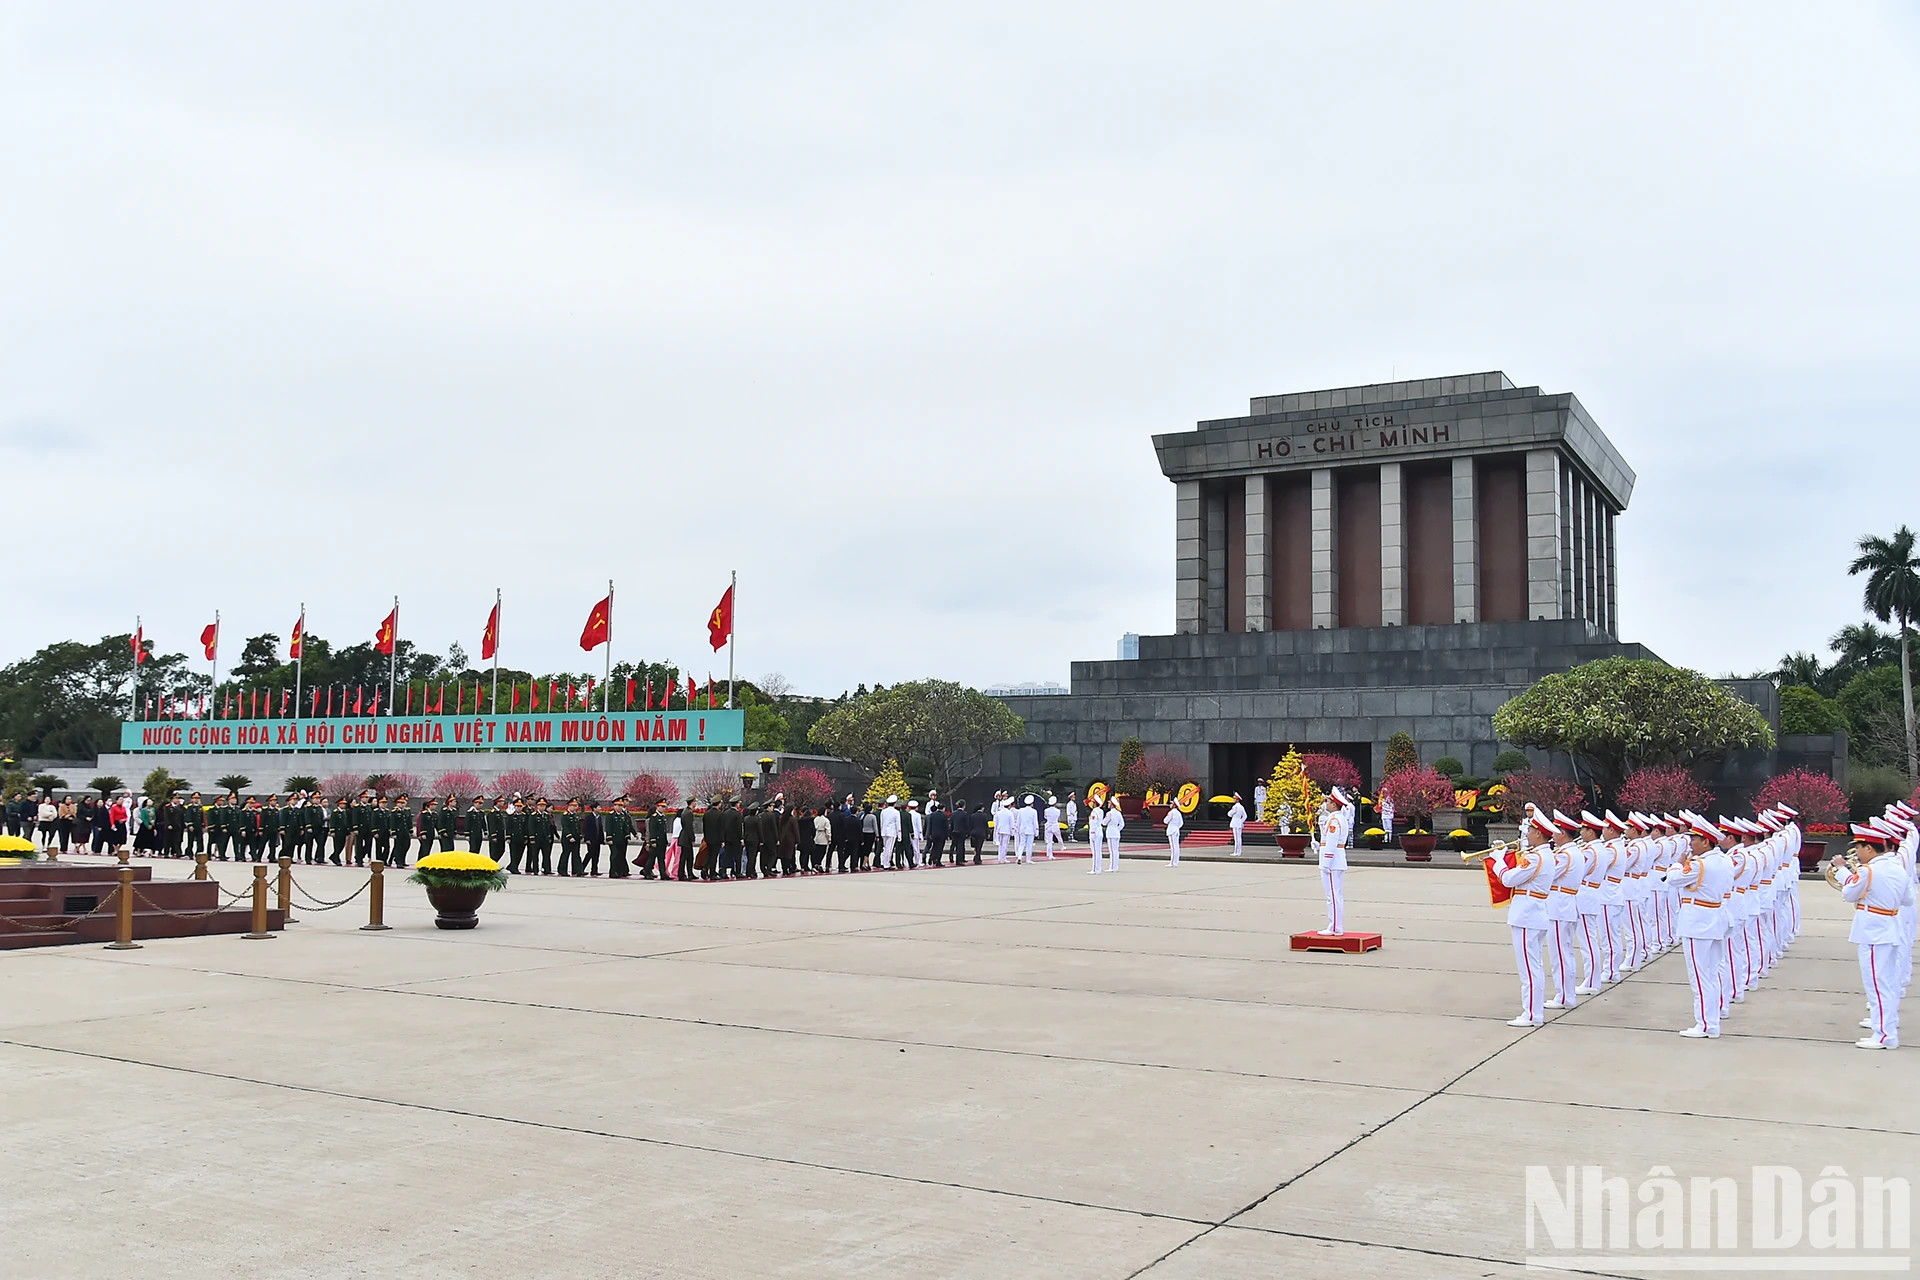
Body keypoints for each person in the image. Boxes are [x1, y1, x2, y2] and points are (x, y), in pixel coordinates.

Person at [1659, 812, 1736, 1039]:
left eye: (1694, 839)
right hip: (1715, 918)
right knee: (1711, 973)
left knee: (1700, 976)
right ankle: (1711, 1021)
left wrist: (1677, 864)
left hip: (1698, 922)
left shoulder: (1699, 865)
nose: (1690, 843)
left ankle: (1704, 1023)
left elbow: (1673, 879)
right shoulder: (1723, 860)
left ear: (1706, 841)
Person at [1497, 809, 1558, 1027]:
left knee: (1529, 969)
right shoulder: (1546, 855)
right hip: (1534, 912)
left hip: (1527, 915)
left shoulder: (1535, 858)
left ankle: (1532, 1014)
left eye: (1531, 830)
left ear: (1539, 834)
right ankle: (1533, 1012)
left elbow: (1508, 879)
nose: (1528, 834)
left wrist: (1498, 861)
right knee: (1534, 966)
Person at [1315, 789, 1353, 933]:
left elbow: (1332, 843)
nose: (1326, 803)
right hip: (1335, 860)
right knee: (1334, 895)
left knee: (1332, 896)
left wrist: (1326, 863)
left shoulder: (1335, 819)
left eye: (1329, 801)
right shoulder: (1338, 818)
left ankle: (1335, 927)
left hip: (1332, 863)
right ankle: (1336, 925)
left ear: (1334, 805)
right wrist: (1319, 845)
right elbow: (1328, 842)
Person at [606, 797, 635, 878]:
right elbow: (608, 827)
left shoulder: (623, 815)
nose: (620, 808)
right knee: (614, 855)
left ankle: (620, 871)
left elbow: (625, 827)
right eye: (618, 806)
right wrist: (609, 838)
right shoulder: (611, 815)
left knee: (621, 855)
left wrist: (627, 836)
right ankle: (613, 871)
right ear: (614, 806)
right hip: (614, 839)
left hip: (621, 839)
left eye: (621, 806)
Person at [1100, 797, 1124, 872]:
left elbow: (1104, 823)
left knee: (1112, 851)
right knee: (1116, 850)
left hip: (1111, 832)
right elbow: (1122, 824)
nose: (1108, 804)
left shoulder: (1109, 813)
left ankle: (1112, 867)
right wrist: (1117, 830)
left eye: (1109, 803)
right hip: (1116, 833)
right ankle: (1115, 866)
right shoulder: (1118, 813)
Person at [1086, 795, 1106, 875]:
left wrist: (1092, 833)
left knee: (1095, 851)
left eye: (1093, 802)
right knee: (1098, 851)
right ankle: (1098, 868)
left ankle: (1094, 869)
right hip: (1099, 831)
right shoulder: (1101, 811)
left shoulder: (1094, 812)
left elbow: (1093, 823)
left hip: (1095, 832)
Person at [1163, 799, 1183, 866]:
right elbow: (1181, 823)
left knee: (1173, 847)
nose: (1170, 805)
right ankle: (1176, 862)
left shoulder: (1171, 812)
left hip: (1172, 830)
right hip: (1176, 830)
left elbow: (1165, 821)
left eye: (1171, 804)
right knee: (1176, 846)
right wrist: (1177, 827)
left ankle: (1172, 862)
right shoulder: (1178, 813)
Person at [1227, 793, 1246, 857]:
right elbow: (1245, 816)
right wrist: (1241, 821)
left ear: (1237, 800)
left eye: (1234, 798)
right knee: (1239, 838)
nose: (1233, 799)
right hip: (1239, 823)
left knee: (1236, 838)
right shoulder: (1241, 807)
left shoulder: (1235, 807)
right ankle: (1238, 851)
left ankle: (1236, 851)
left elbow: (1229, 814)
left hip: (1235, 822)